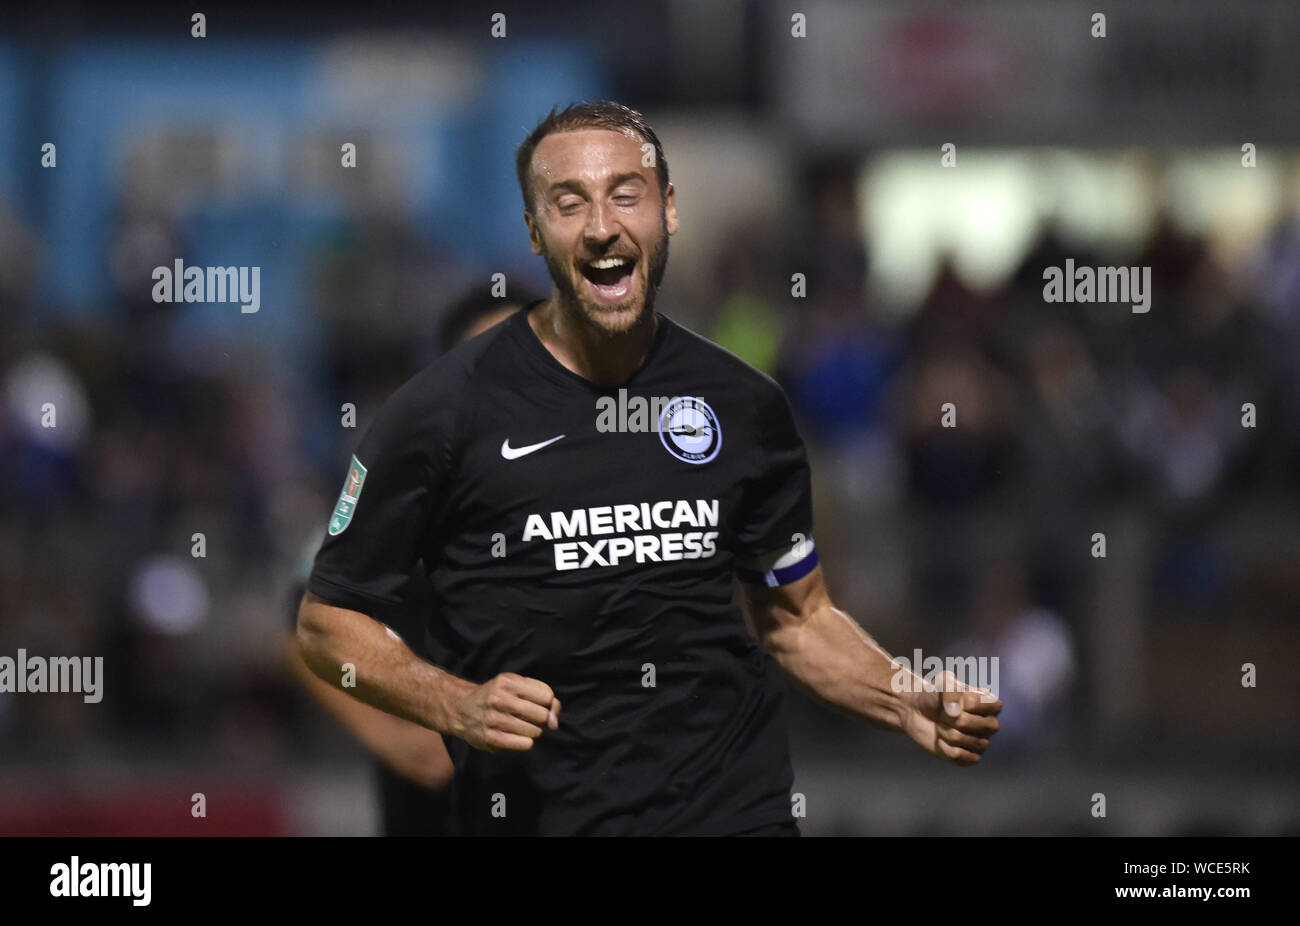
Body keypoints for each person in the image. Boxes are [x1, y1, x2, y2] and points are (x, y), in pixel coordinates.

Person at [296, 101, 1002, 836]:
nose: (602, 226)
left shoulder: (744, 404)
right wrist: (453, 702)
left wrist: (901, 694)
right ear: (535, 233)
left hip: (732, 815)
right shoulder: (440, 412)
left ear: (668, 210)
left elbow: (797, 619)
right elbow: (327, 624)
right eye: (569, 204)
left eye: (625, 194)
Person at [284, 288, 530, 835]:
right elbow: (306, 620)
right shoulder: (403, 484)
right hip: (435, 814)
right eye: (487, 354)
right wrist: (402, 731)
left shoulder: (599, 480)